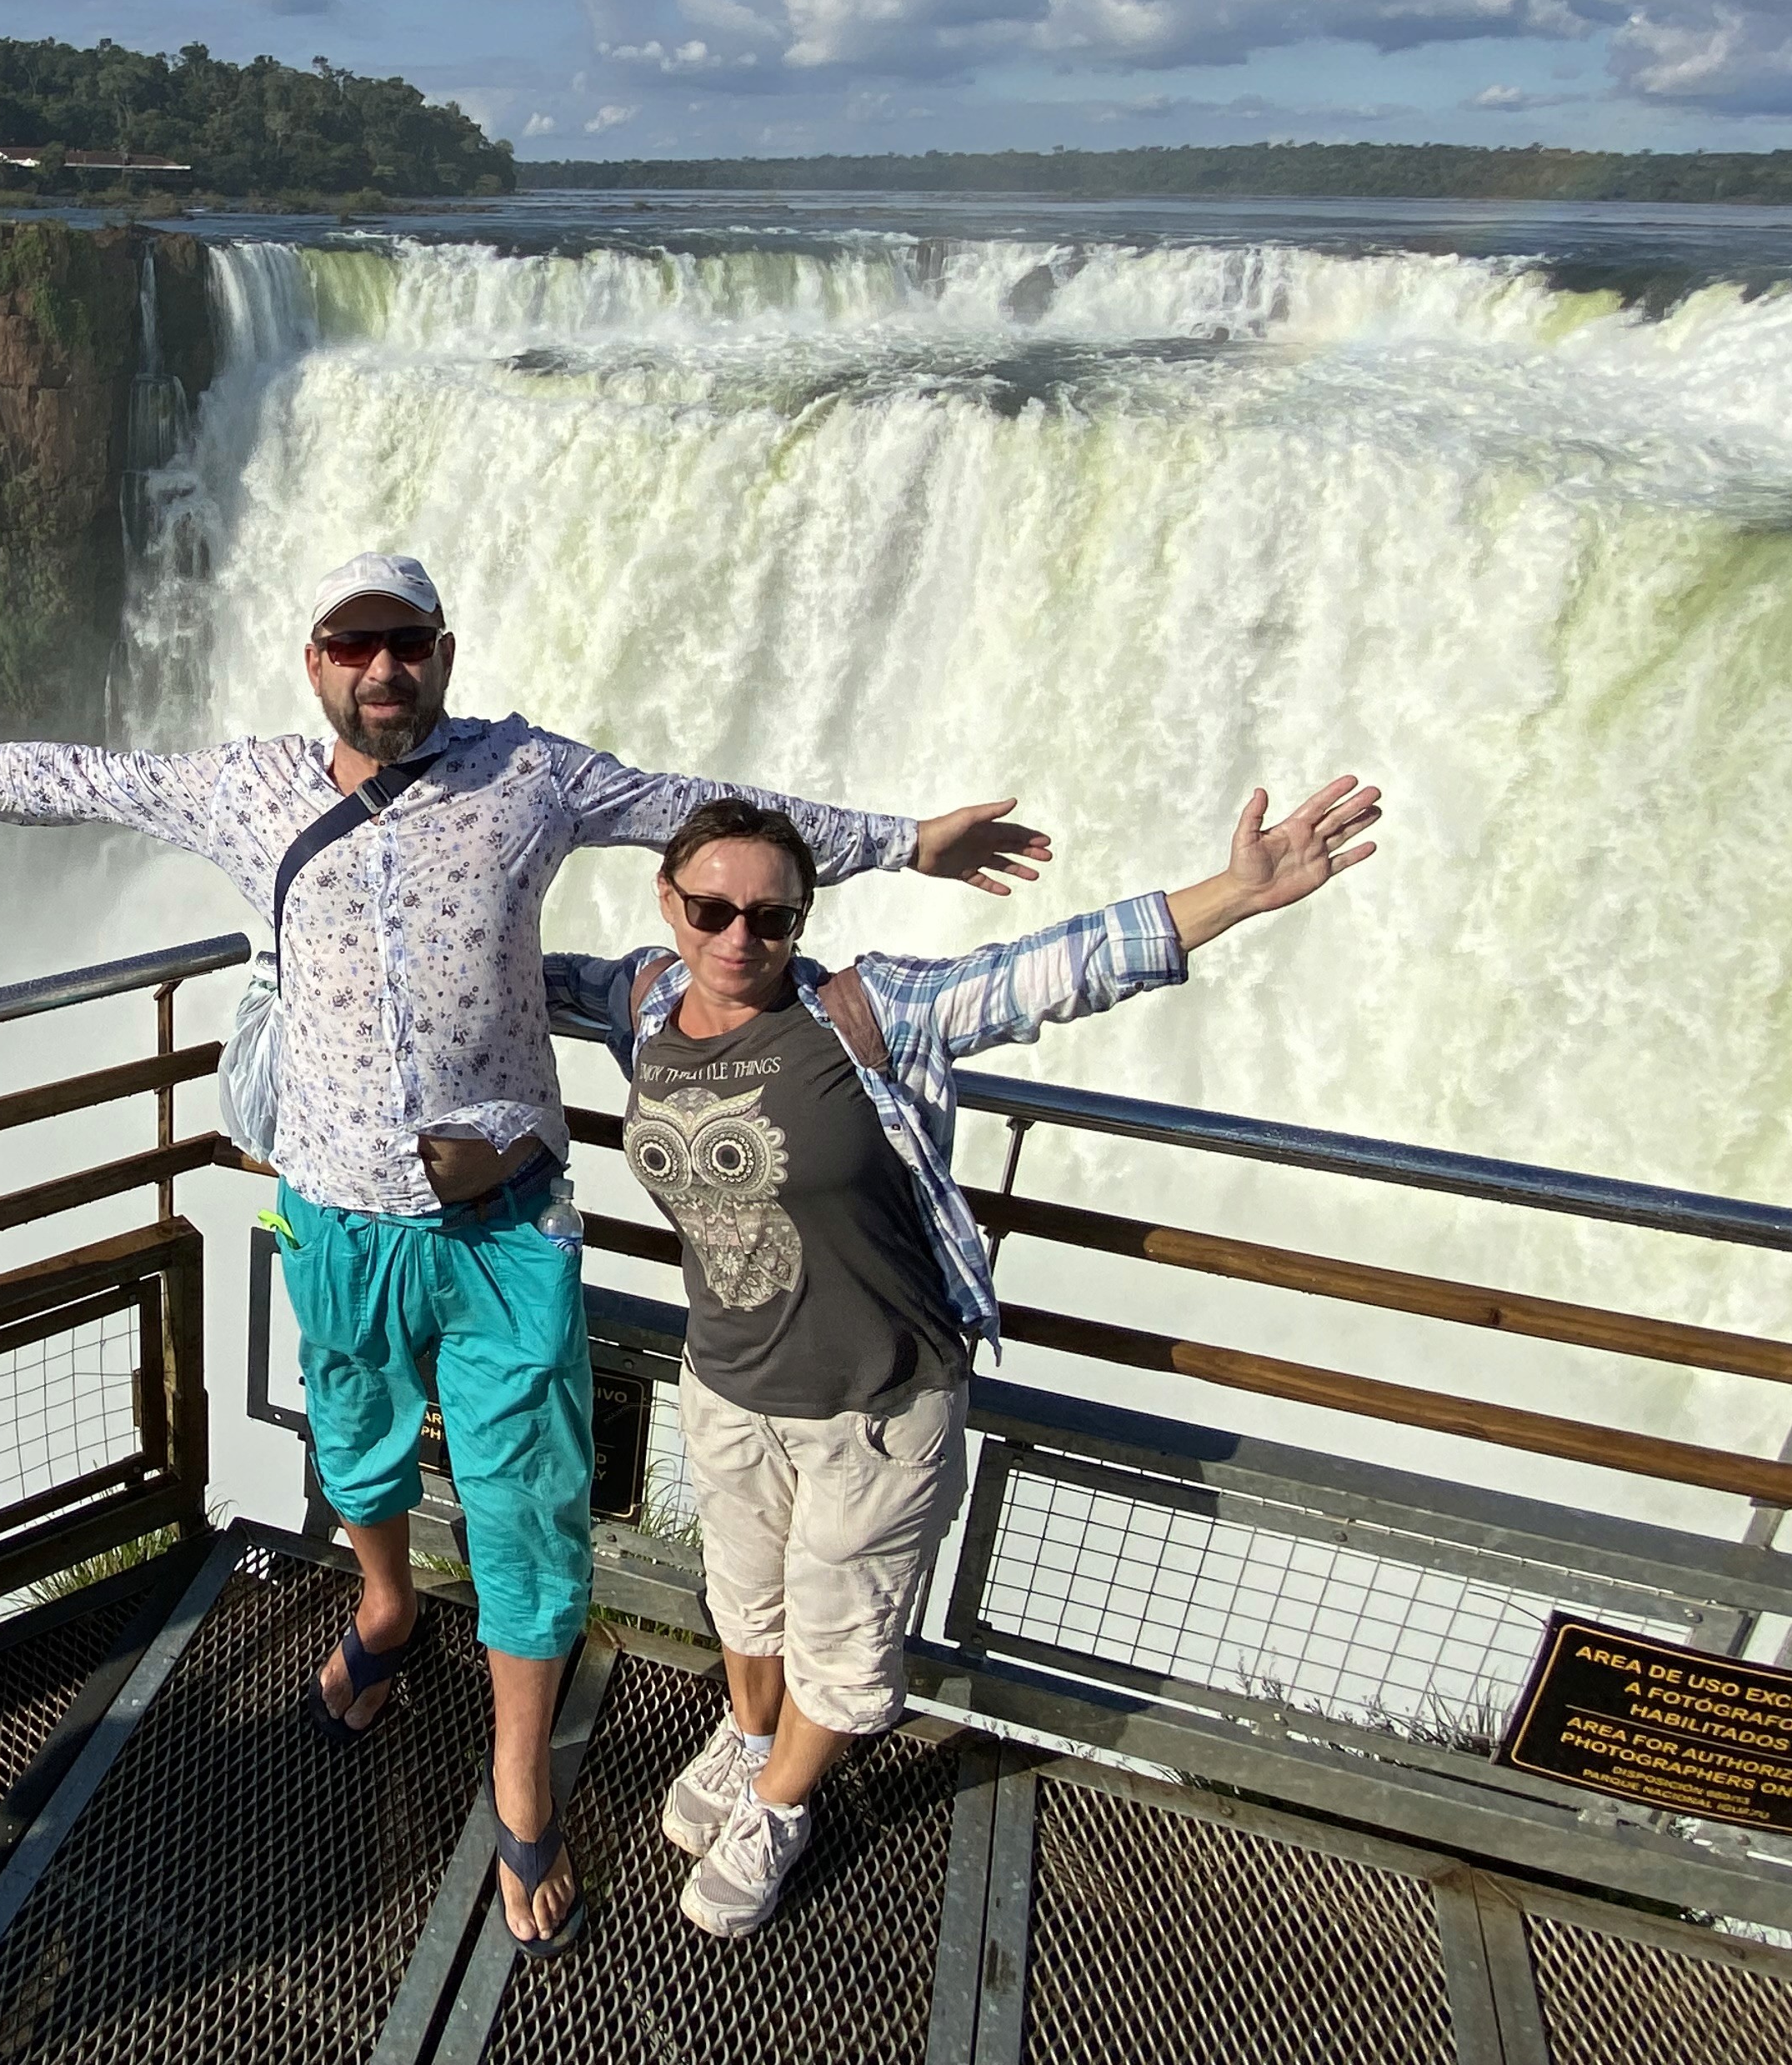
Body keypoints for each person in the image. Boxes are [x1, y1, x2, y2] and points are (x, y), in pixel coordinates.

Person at [0, 552, 1051, 1955]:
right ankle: (386, 1606)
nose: (384, 669)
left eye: (411, 644)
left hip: (506, 1224)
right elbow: (80, 778)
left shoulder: (532, 776)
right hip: (333, 1214)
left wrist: (899, 842)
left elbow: (712, 819)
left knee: (526, 1502)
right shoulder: (246, 788)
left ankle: (519, 1779)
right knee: (359, 1450)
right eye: (354, 645)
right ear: (315, 659)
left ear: (443, 654)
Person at [545, 775, 1380, 1939]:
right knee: (742, 1594)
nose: (738, 938)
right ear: (669, 902)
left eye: (772, 918)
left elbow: (1054, 968)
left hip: (878, 1405)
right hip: (728, 1386)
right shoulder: (640, 999)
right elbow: (498, 970)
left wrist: (1233, 895)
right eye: (711, 911)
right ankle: (744, 1742)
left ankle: (785, 1803)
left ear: (802, 920)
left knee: (842, 1628)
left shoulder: (863, 1013)